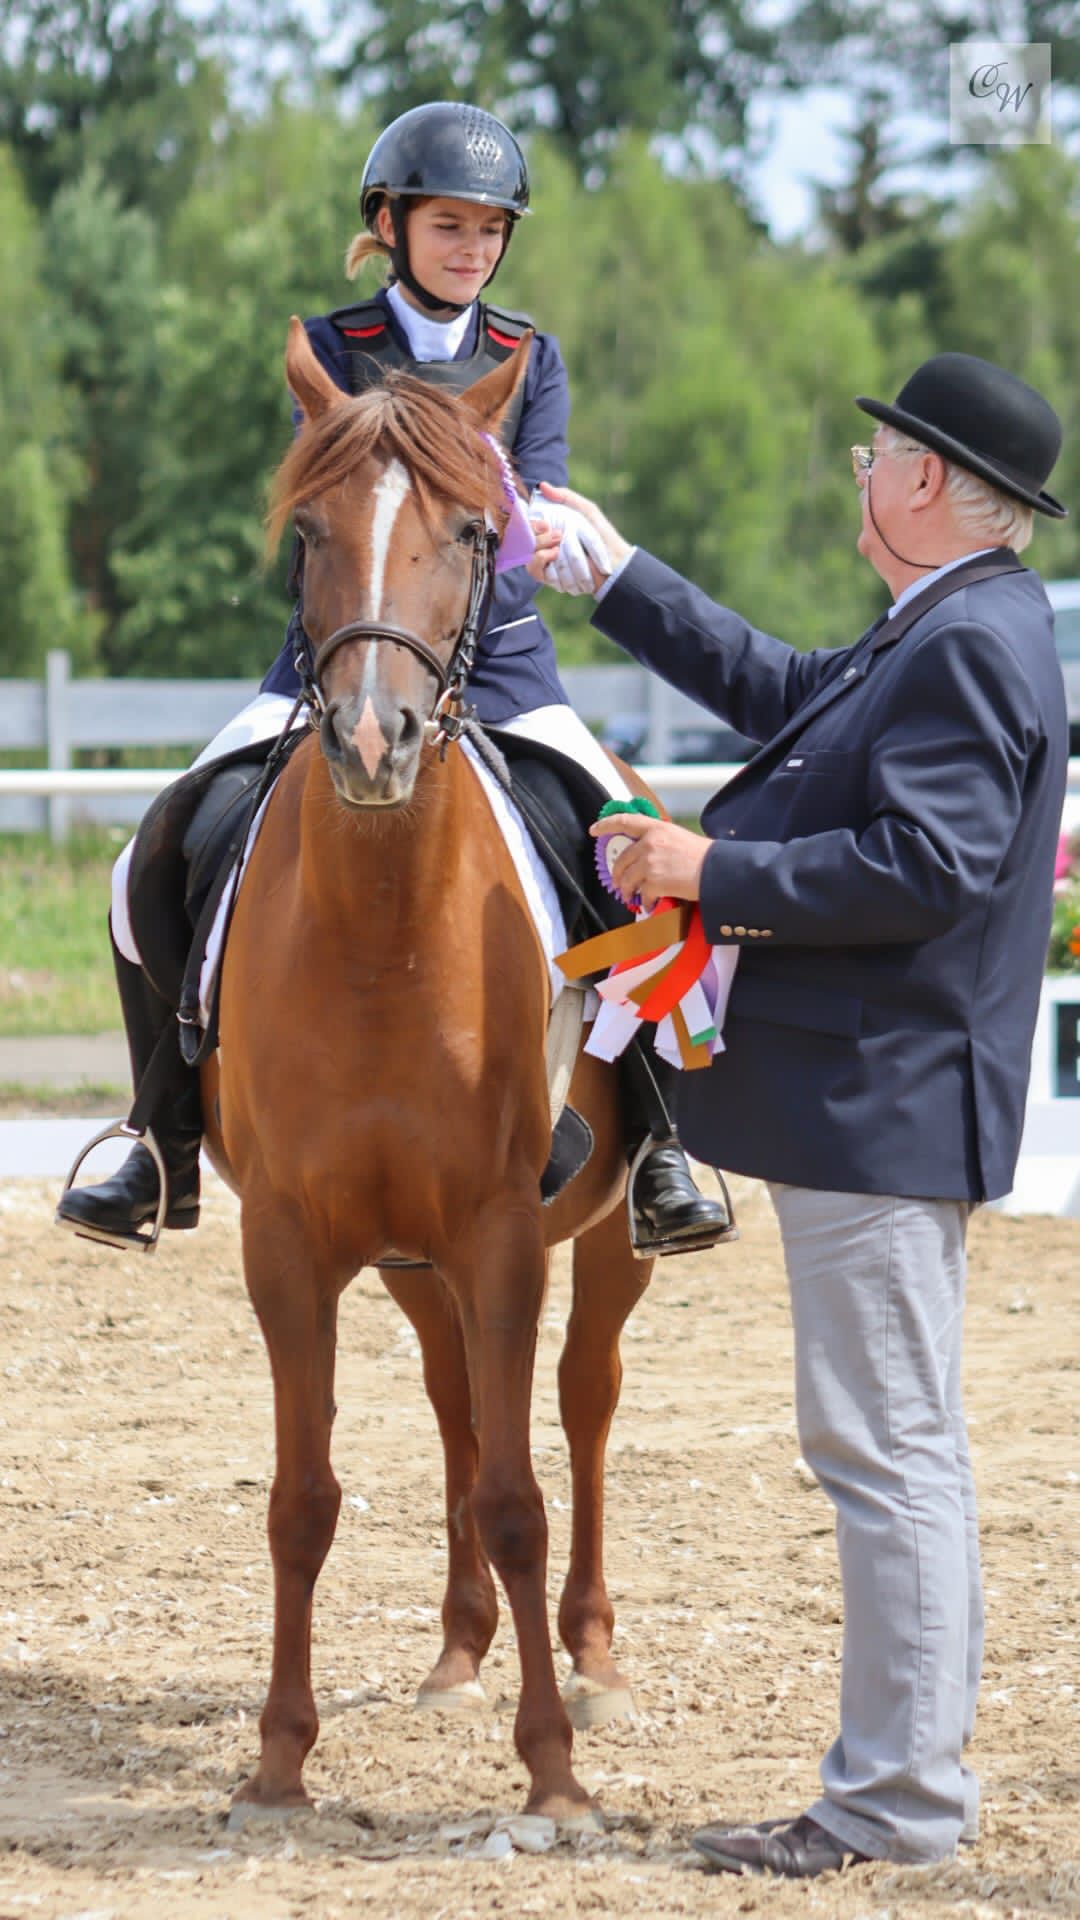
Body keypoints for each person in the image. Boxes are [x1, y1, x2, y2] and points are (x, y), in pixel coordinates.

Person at [528, 351, 1069, 1873]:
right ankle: (908, 1787)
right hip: (880, 1104)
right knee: (900, 1448)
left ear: (923, 482)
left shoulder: (968, 641)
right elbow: (787, 698)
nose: (857, 474)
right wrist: (618, 571)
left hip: (886, 1107)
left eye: (874, 453)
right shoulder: (948, 622)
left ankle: (897, 1805)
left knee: (886, 1451)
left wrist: (710, 876)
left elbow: (924, 869)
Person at [56, 101, 730, 1255]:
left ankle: (662, 1139)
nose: (471, 248)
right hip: (335, 659)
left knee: (631, 850)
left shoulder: (529, 355)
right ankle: (158, 1133)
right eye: (448, 225)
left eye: (489, 230)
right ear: (391, 222)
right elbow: (333, 506)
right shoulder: (330, 345)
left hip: (501, 663)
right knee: (150, 858)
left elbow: (535, 502)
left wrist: (547, 526)